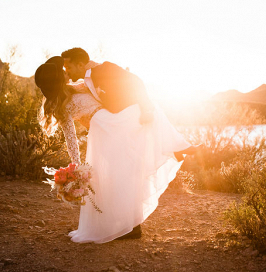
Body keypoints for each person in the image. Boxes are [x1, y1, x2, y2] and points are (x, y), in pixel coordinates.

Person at [35, 56, 198, 243]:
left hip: (111, 123)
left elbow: (100, 85)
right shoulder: (61, 105)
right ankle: (128, 225)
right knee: (116, 176)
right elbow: (70, 137)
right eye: (62, 72)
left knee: (124, 171)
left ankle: (172, 148)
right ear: (57, 79)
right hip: (106, 127)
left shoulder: (77, 86)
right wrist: (77, 167)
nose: (66, 72)